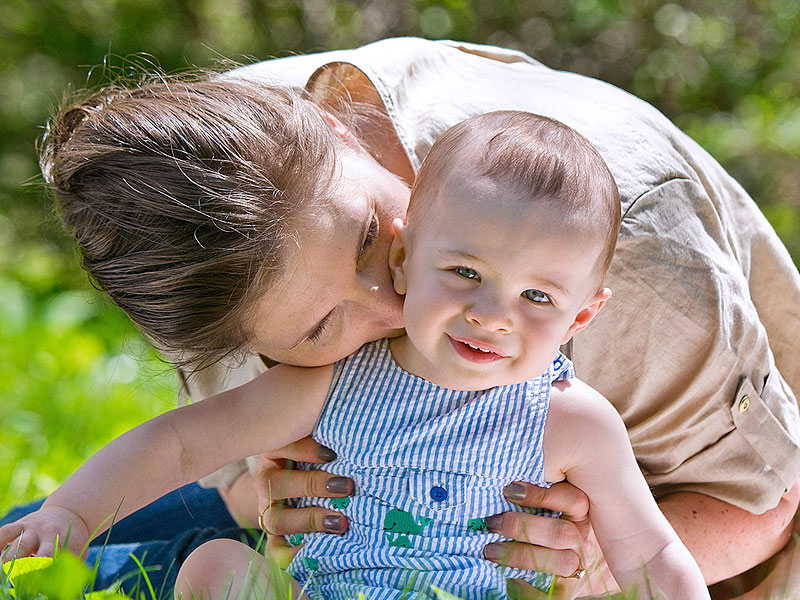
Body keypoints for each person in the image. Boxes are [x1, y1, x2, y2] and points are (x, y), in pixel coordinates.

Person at [2, 37, 800, 598]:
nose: (397, 305)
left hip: (670, 504)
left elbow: (766, 509)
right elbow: (184, 444)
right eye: (318, 330)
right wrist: (75, 511)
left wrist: (584, 569)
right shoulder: (200, 237)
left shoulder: (597, 240)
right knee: (195, 554)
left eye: (367, 242)